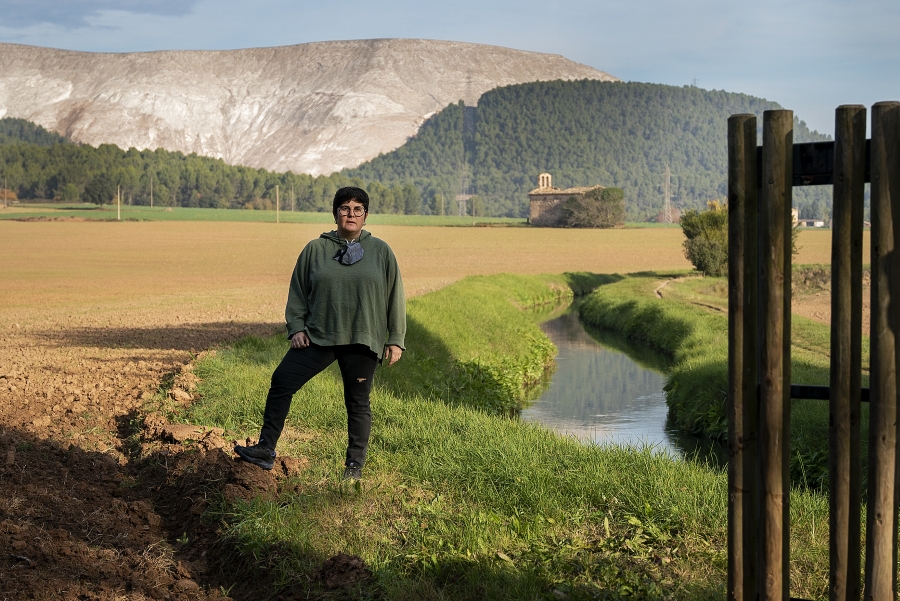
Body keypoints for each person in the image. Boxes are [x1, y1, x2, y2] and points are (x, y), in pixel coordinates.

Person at [234, 186, 406, 480]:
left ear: (366, 215)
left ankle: (354, 468)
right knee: (282, 381)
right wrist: (296, 328)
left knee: (357, 401)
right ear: (335, 213)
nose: (350, 214)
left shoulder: (381, 251)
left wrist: (395, 339)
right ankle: (265, 450)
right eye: (344, 208)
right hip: (320, 335)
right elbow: (298, 291)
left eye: (357, 209)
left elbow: (395, 296)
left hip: (363, 339)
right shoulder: (316, 249)